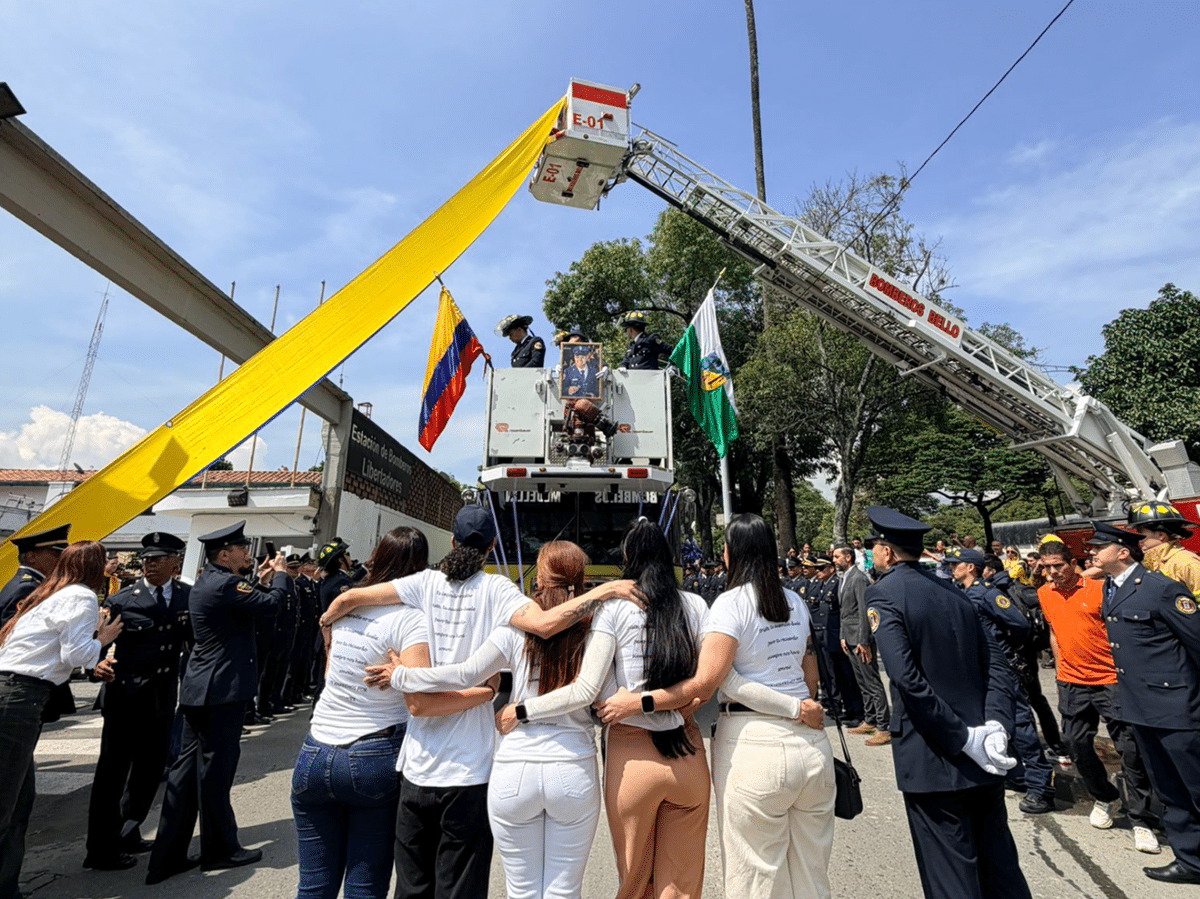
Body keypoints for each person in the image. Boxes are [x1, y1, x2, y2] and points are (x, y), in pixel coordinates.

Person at [320, 506, 642, 899]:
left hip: (424, 764)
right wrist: (604, 590)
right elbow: (547, 630)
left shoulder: (424, 583)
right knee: (494, 887)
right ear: (491, 547)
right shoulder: (500, 593)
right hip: (484, 768)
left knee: (417, 886)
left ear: (452, 542)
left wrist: (335, 619)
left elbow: (356, 597)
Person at [599, 513, 833, 899]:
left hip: (756, 743)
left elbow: (714, 680)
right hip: (811, 747)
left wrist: (642, 702)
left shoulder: (730, 604)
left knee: (755, 874)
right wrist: (800, 708)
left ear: (732, 555)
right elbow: (810, 677)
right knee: (811, 874)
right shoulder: (795, 601)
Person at [367, 540, 601, 899]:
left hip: (515, 767)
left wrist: (403, 677)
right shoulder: (594, 630)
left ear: (538, 580)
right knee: (564, 888)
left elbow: (465, 673)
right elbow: (595, 694)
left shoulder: (513, 629)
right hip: (572, 766)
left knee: (520, 889)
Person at [292, 526, 492, 899]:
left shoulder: (345, 607)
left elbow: (329, 674)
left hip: (314, 753)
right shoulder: (410, 618)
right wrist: (485, 691)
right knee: (364, 885)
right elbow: (419, 700)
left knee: (314, 885)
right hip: (371, 755)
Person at [863, 507, 1030, 899]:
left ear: (886, 552)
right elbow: (997, 668)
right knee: (999, 864)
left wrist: (961, 737)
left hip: (935, 751)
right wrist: (994, 727)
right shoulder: (957, 592)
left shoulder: (884, 593)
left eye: (875, 548)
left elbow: (905, 677)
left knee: (950, 874)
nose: (873, 555)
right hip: (982, 751)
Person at [145, 521, 290, 884]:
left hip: (200, 689)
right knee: (215, 774)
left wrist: (260, 578)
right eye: (242, 550)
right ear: (224, 554)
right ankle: (221, 848)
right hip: (221, 692)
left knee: (184, 776)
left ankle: (168, 855)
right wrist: (282, 576)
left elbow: (242, 604)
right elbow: (272, 605)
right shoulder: (226, 584)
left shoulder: (210, 581)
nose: (248, 555)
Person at [0, 541, 123, 899]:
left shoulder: (49, 592)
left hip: (15, 692)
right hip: (20, 698)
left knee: (21, 801)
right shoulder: (82, 597)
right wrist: (101, 639)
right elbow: (75, 654)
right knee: (6, 803)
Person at [1086, 520, 1200, 884]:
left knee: (1197, 785)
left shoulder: (1160, 589)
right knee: (1169, 790)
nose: (1090, 551)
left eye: (1098, 546)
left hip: (1177, 706)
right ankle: (1191, 861)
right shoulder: (1109, 588)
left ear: (1123, 552)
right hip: (1139, 706)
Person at [1036, 539, 1160, 853]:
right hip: (1072, 682)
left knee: (1129, 749)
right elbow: (1054, 629)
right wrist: (1060, 662)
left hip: (1110, 681)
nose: (1052, 573)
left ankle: (1141, 819)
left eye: (1058, 566)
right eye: (1046, 567)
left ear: (1071, 563)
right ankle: (1104, 796)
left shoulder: (1099, 590)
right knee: (1076, 743)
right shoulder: (1044, 594)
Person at [84, 532, 192, 870]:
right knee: (112, 775)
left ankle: (129, 829)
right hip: (125, 697)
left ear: (176, 561)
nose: (151, 565)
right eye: (146, 560)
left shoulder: (187, 598)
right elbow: (96, 644)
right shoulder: (124, 600)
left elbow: (194, 642)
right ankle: (100, 848)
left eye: (159, 559)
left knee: (148, 771)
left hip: (161, 698)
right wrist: (95, 666)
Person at [950, 549, 1055, 814]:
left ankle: (1041, 786)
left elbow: (1019, 625)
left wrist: (1005, 651)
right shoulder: (962, 593)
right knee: (997, 722)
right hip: (981, 668)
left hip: (1003, 667)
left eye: (957, 564)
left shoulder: (988, 594)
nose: (952, 568)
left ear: (971, 568)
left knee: (1020, 724)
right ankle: (1017, 773)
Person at [834, 545, 890, 743]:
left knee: (872, 681)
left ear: (848, 558)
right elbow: (845, 611)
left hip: (859, 638)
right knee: (862, 682)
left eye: (837, 556)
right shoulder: (844, 578)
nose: (834, 560)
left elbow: (863, 611)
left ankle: (883, 726)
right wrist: (842, 635)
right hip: (848, 637)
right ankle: (870, 719)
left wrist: (863, 640)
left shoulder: (858, 579)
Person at [1125, 499, 1200, 598]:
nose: (1139, 539)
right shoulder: (1146, 564)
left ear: (1161, 535)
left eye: (1141, 533)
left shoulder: (1186, 563)